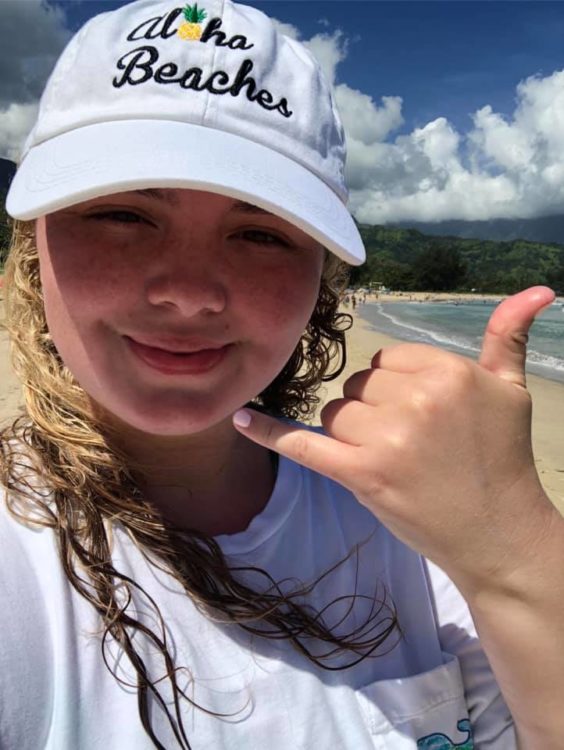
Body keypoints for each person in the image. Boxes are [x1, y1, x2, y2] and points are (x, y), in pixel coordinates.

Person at [1, 1, 563, 748]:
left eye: (259, 232)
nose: (191, 291)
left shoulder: (418, 521)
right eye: (123, 215)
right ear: (36, 243)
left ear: (319, 280)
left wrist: (516, 546)